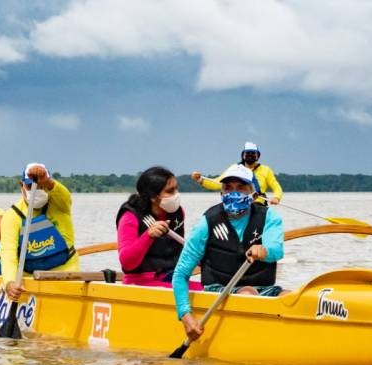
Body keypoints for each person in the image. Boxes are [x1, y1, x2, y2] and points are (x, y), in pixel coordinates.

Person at [173, 164, 285, 342]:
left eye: (240, 187)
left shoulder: (269, 217)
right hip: (218, 291)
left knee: (291, 298)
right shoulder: (207, 222)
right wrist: (186, 316)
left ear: (253, 192)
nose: (234, 192)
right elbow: (181, 274)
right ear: (221, 192)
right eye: (228, 188)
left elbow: (277, 250)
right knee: (247, 293)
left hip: (264, 289)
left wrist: (264, 250)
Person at [2, 163, 80, 301]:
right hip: (31, 280)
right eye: (30, 186)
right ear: (21, 186)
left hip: (67, 275)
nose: (36, 189)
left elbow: (65, 196)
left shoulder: (60, 204)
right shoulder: (12, 216)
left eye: (41, 186)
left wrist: (47, 182)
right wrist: (10, 282)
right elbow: (8, 253)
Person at [115, 166, 201, 289]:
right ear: (153, 197)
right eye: (170, 191)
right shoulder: (130, 216)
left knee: (212, 290)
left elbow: (181, 249)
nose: (176, 195)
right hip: (140, 282)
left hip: (172, 278)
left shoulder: (177, 212)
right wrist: (148, 235)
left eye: (176, 189)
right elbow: (127, 263)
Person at [191, 141, 283, 205]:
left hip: (258, 204)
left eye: (253, 153)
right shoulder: (234, 168)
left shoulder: (266, 170)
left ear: (257, 156)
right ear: (243, 155)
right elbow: (216, 183)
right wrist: (200, 179)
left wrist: (276, 198)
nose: (250, 155)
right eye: (247, 153)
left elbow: (276, 187)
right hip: (238, 204)